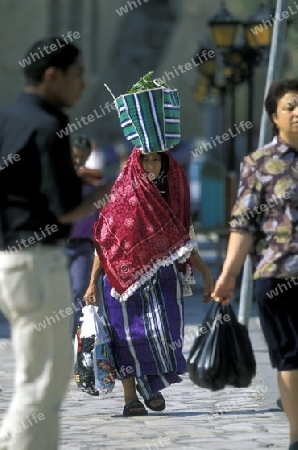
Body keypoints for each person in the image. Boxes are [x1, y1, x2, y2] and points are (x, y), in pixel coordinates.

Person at [0, 37, 111, 450]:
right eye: (78, 75)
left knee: (40, 377)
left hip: (12, 262)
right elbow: (65, 210)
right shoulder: (50, 125)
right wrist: (113, 186)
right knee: (44, 379)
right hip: (37, 263)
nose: (83, 86)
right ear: (53, 75)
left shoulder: (8, 119)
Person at [84, 149, 214, 416]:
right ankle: (130, 399)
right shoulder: (120, 194)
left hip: (163, 278)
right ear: (135, 163)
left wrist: (205, 271)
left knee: (160, 335)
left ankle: (150, 385)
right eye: (145, 160)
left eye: (157, 159)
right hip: (121, 282)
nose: (151, 165)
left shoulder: (173, 196)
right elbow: (104, 244)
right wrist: (91, 283)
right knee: (126, 338)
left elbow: (184, 239)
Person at [212, 78, 298, 450]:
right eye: (290, 106)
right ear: (274, 117)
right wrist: (228, 275)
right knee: (291, 358)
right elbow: (243, 225)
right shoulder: (259, 164)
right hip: (279, 275)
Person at [66, 135, 101, 339]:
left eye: (82, 156)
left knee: (79, 289)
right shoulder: (61, 177)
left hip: (82, 246)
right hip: (58, 245)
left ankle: (74, 338)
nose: (78, 161)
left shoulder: (92, 182)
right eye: (75, 157)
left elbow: (97, 177)